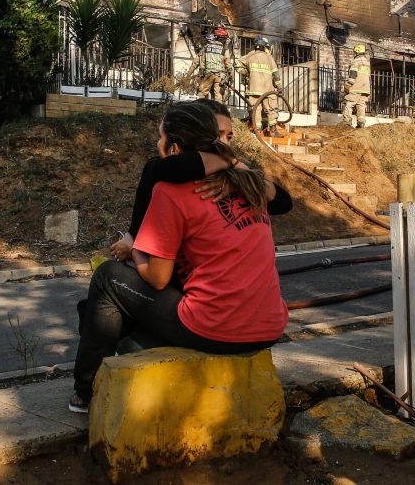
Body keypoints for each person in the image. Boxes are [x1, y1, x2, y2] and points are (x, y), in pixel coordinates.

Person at [70, 101, 289, 413]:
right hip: (270, 328)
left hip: (217, 329)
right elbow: (283, 200)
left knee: (107, 278)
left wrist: (135, 251)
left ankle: (86, 391)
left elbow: (157, 277)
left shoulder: (170, 191)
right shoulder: (252, 185)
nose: (157, 145)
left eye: (161, 138)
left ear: (172, 147)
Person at [110, 99, 291, 262]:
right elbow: (172, 167)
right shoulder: (166, 170)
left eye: (229, 137)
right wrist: (230, 162)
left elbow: (283, 202)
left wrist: (240, 178)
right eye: (217, 135)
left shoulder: (236, 175)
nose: (224, 143)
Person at [236, 36, 283, 137]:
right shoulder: (269, 57)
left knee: (255, 110)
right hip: (268, 90)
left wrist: (246, 72)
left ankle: (257, 131)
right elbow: (275, 74)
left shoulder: (250, 55)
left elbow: (237, 63)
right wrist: (279, 86)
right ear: (265, 47)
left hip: (254, 89)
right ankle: (273, 131)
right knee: (272, 109)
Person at [341, 44, 371, 128]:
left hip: (356, 88)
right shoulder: (367, 62)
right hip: (365, 89)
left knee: (349, 103)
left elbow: (353, 75)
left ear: (356, 52)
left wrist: (348, 85)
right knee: (361, 105)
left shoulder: (356, 61)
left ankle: (346, 121)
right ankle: (361, 122)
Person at [196, 28, 229, 103]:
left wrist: (200, 75)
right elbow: (228, 65)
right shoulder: (224, 49)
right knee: (218, 97)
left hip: (208, 74)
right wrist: (231, 77)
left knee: (202, 92)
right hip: (220, 76)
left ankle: (200, 109)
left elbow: (202, 63)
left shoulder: (207, 47)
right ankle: (217, 112)